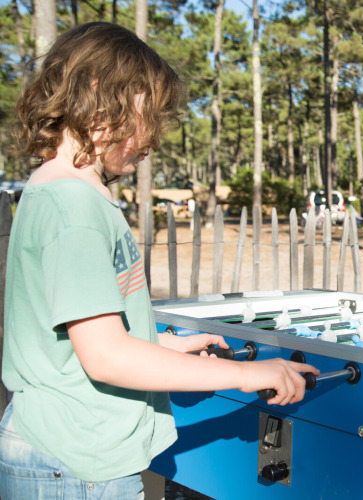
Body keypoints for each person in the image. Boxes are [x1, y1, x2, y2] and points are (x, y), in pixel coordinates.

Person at [0, 22, 319, 499]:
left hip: (65, 454)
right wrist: (246, 374)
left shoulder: (57, 192)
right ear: (100, 93)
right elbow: (106, 357)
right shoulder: (75, 209)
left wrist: (163, 343)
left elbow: (74, 342)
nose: (157, 133)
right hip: (75, 464)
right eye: (151, 111)